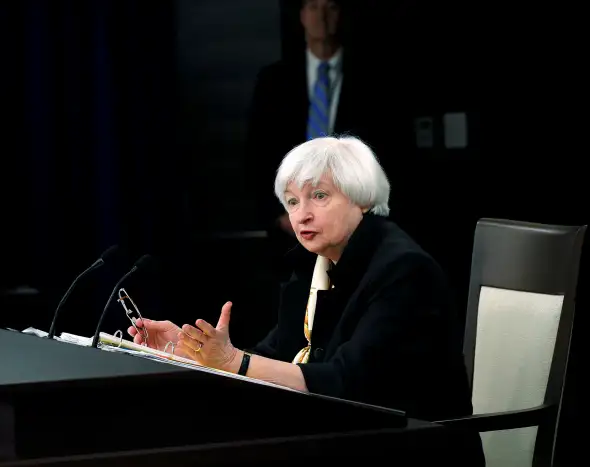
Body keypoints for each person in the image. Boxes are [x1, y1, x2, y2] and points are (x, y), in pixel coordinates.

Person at [129, 136, 484, 464]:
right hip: (339, 436)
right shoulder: (312, 267)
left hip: (414, 448)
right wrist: (194, 351)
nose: (302, 215)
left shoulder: (404, 271)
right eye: (293, 202)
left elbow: (346, 385)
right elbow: (273, 356)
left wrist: (234, 362)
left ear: (360, 197)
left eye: (319, 196)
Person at [244, 0, 384, 277]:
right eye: (313, 6)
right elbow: (255, 156)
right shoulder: (274, 80)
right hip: (290, 233)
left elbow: (388, 154)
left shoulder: (373, 78)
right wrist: (279, 215)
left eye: (330, 7)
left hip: (357, 231)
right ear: (301, 15)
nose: (321, 16)